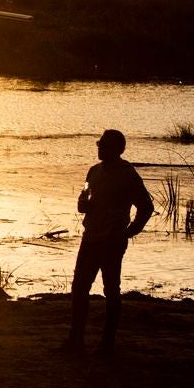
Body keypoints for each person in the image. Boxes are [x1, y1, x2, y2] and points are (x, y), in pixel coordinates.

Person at [59, 129, 153, 357]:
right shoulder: (94, 171)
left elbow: (146, 207)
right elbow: (84, 200)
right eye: (100, 144)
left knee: (111, 290)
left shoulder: (127, 174)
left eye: (105, 145)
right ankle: (76, 341)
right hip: (90, 238)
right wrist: (82, 205)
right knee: (79, 289)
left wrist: (129, 233)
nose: (100, 148)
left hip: (112, 241)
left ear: (118, 149)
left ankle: (107, 344)